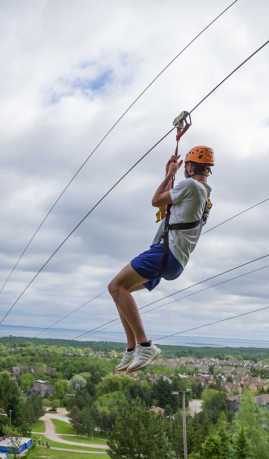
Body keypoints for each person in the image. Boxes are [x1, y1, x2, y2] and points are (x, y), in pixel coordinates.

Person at [109, 146, 214, 373]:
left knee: (116, 286)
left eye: (185, 166)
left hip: (165, 251)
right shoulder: (204, 193)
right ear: (207, 169)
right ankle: (131, 348)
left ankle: (144, 345)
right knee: (120, 293)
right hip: (175, 261)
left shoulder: (190, 185)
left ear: (189, 166)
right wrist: (169, 175)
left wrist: (168, 175)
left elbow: (156, 201)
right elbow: (169, 205)